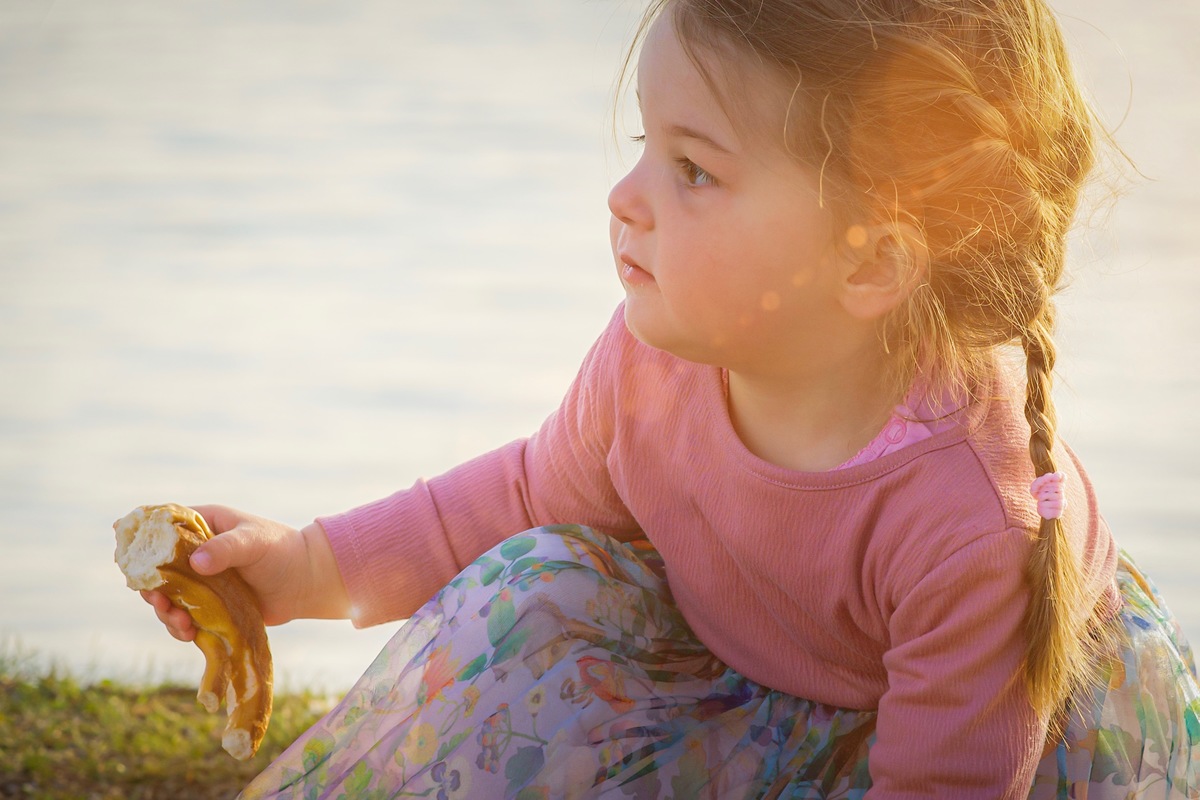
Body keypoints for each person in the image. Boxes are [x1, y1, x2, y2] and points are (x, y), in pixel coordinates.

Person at [143, 0, 1200, 796]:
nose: (625, 196)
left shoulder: (972, 522)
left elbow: (944, 781)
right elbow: (517, 494)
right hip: (750, 689)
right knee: (540, 580)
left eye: (693, 169)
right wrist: (302, 566)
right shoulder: (658, 365)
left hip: (989, 747)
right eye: (647, 144)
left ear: (872, 261)